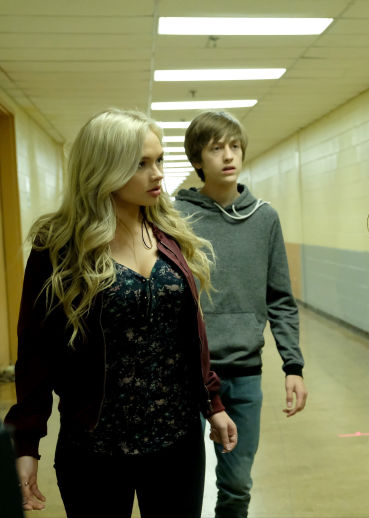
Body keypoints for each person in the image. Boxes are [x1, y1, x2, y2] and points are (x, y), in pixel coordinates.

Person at [2, 109, 237, 517]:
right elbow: (36, 352)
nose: (157, 174)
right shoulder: (59, 248)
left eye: (159, 160)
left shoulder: (169, 234)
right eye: (141, 164)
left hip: (177, 441)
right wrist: (27, 443)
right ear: (103, 168)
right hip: (95, 446)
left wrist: (212, 403)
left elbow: (189, 335)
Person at [175, 111, 307, 518]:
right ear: (198, 160)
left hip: (245, 374)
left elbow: (280, 299)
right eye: (216, 148)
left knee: (236, 485)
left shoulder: (264, 218)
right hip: (186, 375)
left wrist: (293, 365)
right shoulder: (175, 218)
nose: (229, 156)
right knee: (181, 487)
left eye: (235, 146)